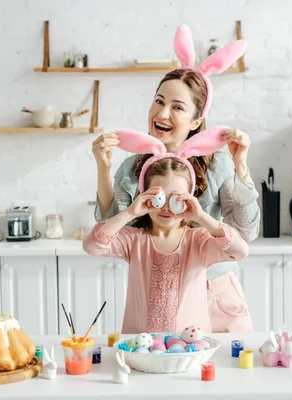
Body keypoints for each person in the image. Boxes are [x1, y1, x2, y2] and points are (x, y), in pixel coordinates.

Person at [91, 25, 260, 332]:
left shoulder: (219, 165)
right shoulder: (132, 168)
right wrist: (103, 169)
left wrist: (241, 167)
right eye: (159, 100)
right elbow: (113, 231)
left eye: (177, 107)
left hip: (216, 295)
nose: (162, 113)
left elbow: (246, 233)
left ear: (197, 120)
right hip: (161, 296)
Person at [83, 128, 249, 333]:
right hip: (142, 351)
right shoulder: (134, 240)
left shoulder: (199, 241)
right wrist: (130, 212)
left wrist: (201, 217)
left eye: (176, 199)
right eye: (159, 197)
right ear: (145, 195)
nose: (166, 208)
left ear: (189, 199)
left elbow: (240, 251)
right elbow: (92, 245)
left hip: (190, 350)